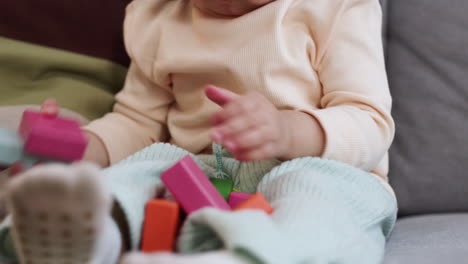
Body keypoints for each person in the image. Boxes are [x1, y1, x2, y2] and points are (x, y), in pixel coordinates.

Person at [0, 0, 398, 263]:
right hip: (197, 166)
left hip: (314, 163)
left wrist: (289, 130)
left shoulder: (335, 7)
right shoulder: (157, 16)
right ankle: (90, 235)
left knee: (319, 201)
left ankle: (249, 256)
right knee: (143, 170)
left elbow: (369, 120)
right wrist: (81, 147)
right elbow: (136, 122)